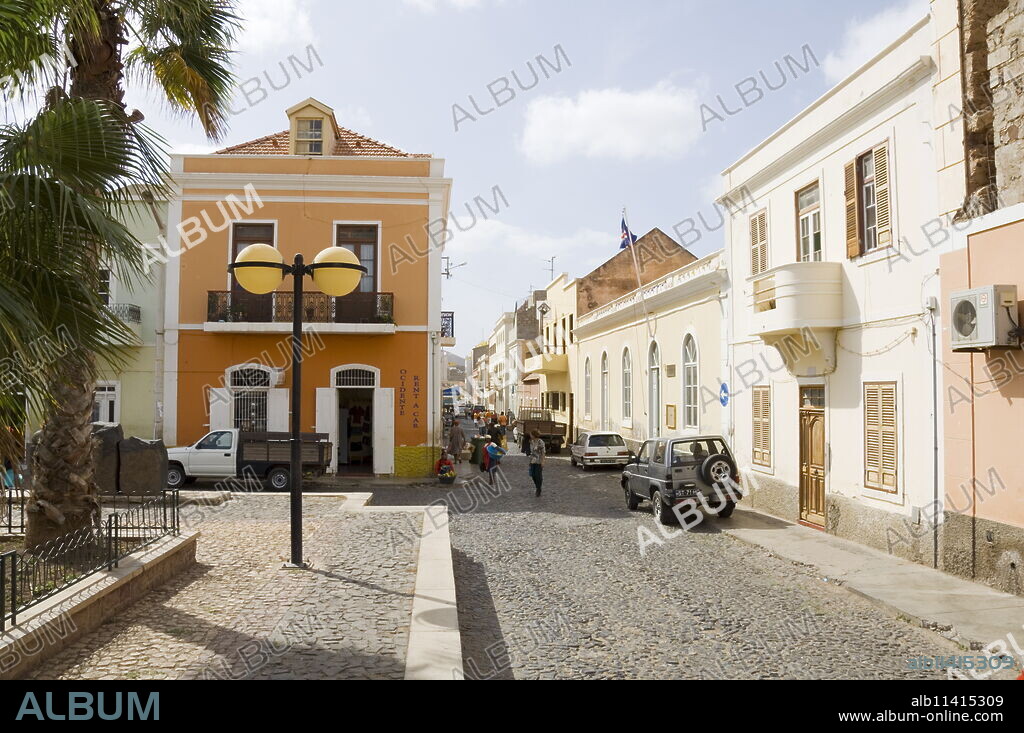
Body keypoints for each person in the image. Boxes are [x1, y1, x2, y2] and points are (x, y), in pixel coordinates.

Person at [528, 430, 546, 497]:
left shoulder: (540, 442)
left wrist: (543, 461)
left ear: (534, 435)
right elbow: (531, 452)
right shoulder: (531, 442)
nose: (530, 435)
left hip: (539, 461)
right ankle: (537, 486)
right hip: (532, 460)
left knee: (538, 476)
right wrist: (530, 462)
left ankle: (538, 489)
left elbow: (543, 452)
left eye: (531, 434)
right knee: (533, 475)